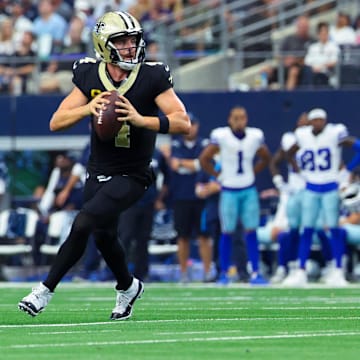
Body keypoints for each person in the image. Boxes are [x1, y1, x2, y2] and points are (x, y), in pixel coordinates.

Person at [18, 10, 190, 320]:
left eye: (133, 40)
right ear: (103, 45)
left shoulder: (152, 76)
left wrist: (141, 120)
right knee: (104, 236)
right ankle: (128, 286)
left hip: (134, 173)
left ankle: (44, 290)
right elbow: (56, 122)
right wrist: (87, 108)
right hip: (98, 170)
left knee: (84, 222)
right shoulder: (88, 74)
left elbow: (182, 122)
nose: (130, 47)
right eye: (122, 41)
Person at [282, 108, 360, 286]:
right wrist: (298, 169)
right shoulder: (302, 135)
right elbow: (288, 153)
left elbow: (358, 147)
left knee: (333, 228)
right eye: (314, 120)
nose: (318, 123)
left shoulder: (334, 133)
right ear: (310, 121)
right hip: (310, 187)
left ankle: (338, 270)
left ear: (325, 120)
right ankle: (300, 270)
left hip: (331, 187)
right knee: (307, 229)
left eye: (320, 119)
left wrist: (347, 169)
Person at [199, 106, 271, 285]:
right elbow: (204, 159)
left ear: (247, 119)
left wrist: (252, 172)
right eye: (236, 118)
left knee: (251, 231)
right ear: (229, 119)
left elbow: (266, 157)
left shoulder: (254, 136)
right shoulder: (222, 136)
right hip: (229, 189)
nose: (239, 121)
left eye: (243, 117)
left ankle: (255, 272)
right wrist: (219, 176)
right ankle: (223, 273)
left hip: (248, 188)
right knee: (227, 231)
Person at [168, 115, 210, 283]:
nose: (190, 127)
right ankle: (183, 272)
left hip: (201, 196)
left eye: (193, 124)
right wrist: (195, 164)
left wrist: (186, 164)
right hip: (181, 196)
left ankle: (208, 272)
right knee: (182, 236)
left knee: (204, 236)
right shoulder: (176, 145)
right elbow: (174, 165)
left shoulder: (205, 145)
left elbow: (204, 164)